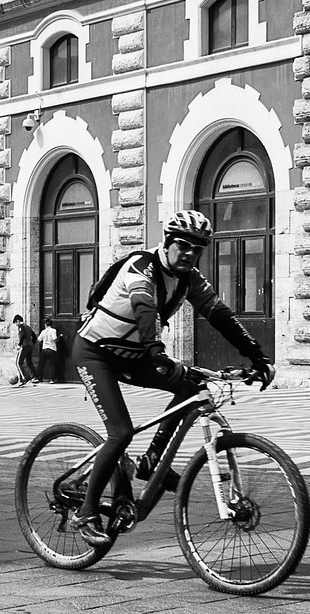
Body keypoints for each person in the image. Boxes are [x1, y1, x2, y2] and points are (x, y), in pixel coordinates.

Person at [68, 209, 273, 548]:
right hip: (96, 353)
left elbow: (220, 315)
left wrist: (257, 355)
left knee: (192, 387)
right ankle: (86, 513)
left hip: (136, 355)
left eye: (198, 249)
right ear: (167, 241)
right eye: (183, 245)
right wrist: (157, 352)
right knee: (120, 432)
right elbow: (144, 307)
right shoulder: (141, 266)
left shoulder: (189, 278)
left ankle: (151, 462)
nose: (190, 254)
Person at [10, 313, 43, 386]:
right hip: (30, 346)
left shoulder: (21, 327)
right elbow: (34, 336)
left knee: (18, 363)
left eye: (16, 323)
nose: (16, 325)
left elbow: (22, 335)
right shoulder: (28, 327)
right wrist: (32, 343)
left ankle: (23, 378)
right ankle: (34, 376)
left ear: (18, 321)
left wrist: (19, 345)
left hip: (24, 346)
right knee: (29, 361)